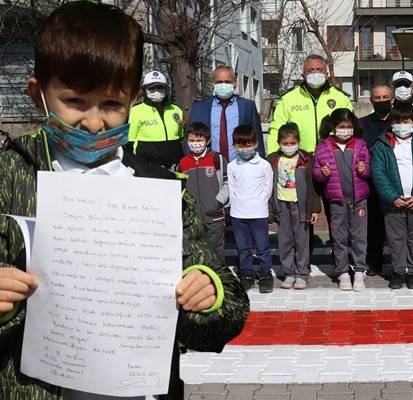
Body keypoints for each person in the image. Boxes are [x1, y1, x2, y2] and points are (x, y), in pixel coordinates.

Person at [0, 3, 249, 399]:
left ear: (132, 99)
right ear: (38, 95)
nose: (95, 122)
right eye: (76, 102)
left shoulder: (160, 187)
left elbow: (228, 305)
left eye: (112, 105)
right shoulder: (11, 176)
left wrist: (210, 295)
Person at [371, 101, 413, 290]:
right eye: (398, 121)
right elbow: (378, 172)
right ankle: (399, 271)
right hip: (393, 203)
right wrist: (392, 196)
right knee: (396, 239)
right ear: (392, 122)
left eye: (406, 120)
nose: (402, 125)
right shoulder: (382, 143)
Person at [312, 109, 371, 291]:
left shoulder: (360, 145)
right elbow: (315, 172)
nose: (345, 130)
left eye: (348, 127)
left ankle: (359, 271)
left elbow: (369, 169)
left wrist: (363, 169)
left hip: (359, 200)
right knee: (339, 238)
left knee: (359, 237)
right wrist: (322, 173)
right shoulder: (323, 147)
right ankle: (343, 272)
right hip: (336, 201)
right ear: (333, 127)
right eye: (341, 127)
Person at [267, 123, 321, 290]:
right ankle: (289, 272)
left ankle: (302, 273)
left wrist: (314, 209)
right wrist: (270, 210)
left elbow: (313, 186)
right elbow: (268, 186)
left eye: (292, 143)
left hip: (300, 206)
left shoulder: (306, 159)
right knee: (284, 240)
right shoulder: (273, 159)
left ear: (298, 141)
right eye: (285, 143)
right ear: (279, 143)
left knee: (301, 240)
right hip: (281, 204)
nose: (289, 146)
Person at [267, 55, 353, 154]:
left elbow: (352, 128)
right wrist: (272, 157)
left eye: (319, 70)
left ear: (326, 74)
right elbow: (276, 130)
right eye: (310, 70)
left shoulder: (340, 97)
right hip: (299, 159)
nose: (315, 73)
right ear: (303, 75)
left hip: (333, 157)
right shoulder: (288, 98)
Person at [227, 125, 274, 293]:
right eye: (240, 145)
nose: (245, 149)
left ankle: (265, 274)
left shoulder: (264, 165)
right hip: (238, 213)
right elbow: (231, 189)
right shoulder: (232, 166)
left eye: (248, 144)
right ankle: (246, 274)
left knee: (262, 247)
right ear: (234, 146)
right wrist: (237, 204)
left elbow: (268, 189)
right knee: (243, 248)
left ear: (255, 144)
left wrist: (258, 203)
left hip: (259, 213)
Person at [188, 66, 265, 160]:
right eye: (219, 82)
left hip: (241, 165)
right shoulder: (200, 107)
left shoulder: (247, 106)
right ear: (213, 83)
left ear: (235, 82)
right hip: (209, 166)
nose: (223, 85)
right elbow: (189, 137)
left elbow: (257, 138)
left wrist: (260, 162)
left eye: (227, 82)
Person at [177, 122, 229, 259]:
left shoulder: (217, 159)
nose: (196, 144)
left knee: (215, 251)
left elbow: (228, 182)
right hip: (192, 218)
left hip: (214, 215)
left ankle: (218, 278)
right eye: (192, 141)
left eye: (199, 140)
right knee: (195, 251)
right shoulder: (183, 162)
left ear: (208, 140)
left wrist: (218, 202)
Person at [359, 84, 394, 275]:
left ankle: (400, 263)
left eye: (385, 97)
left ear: (393, 99)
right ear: (372, 101)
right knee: (374, 225)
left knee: (397, 225)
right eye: (377, 98)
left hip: (396, 182)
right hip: (371, 182)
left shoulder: (400, 121)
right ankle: (375, 262)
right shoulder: (362, 124)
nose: (382, 101)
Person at [127, 70, 184, 169]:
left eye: (160, 87)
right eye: (152, 88)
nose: (157, 91)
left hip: (174, 166)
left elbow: (181, 138)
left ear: (166, 89)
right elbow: (129, 143)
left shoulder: (176, 110)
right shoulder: (135, 111)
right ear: (145, 90)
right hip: (147, 167)